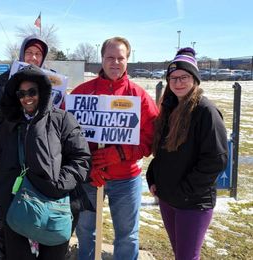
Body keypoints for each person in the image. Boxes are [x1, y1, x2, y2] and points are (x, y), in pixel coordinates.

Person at [0, 65, 91, 259]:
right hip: (14, 206)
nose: (27, 97)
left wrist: (60, 184)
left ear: (43, 92)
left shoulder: (63, 120)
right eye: (21, 93)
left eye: (32, 91)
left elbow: (80, 158)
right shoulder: (9, 123)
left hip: (54, 205)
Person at [71, 37, 159, 260]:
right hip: (90, 178)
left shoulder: (138, 96)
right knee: (84, 231)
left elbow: (151, 137)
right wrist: (88, 164)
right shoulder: (82, 92)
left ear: (127, 61)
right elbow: (67, 136)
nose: (115, 63)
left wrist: (121, 153)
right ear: (101, 59)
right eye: (110, 57)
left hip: (126, 179)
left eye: (121, 58)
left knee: (127, 236)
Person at [146, 47, 228, 260]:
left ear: (195, 79)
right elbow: (163, 152)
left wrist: (185, 191)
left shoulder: (205, 111)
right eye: (173, 78)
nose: (178, 82)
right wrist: (153, 177)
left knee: (187, 257)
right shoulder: (170, 108)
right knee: (179, 253)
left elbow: (215, 160)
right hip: (168, 198)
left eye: (184, 77)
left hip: (192, 202)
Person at [0, 34, 48, 258]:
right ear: (22, 54)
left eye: (38, 54)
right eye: (29, 53)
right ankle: (4, 249)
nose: (33, 58)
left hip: (36, 152)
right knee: (7, 212)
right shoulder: (6, 78)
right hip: (9, 149)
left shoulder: (49, 81)